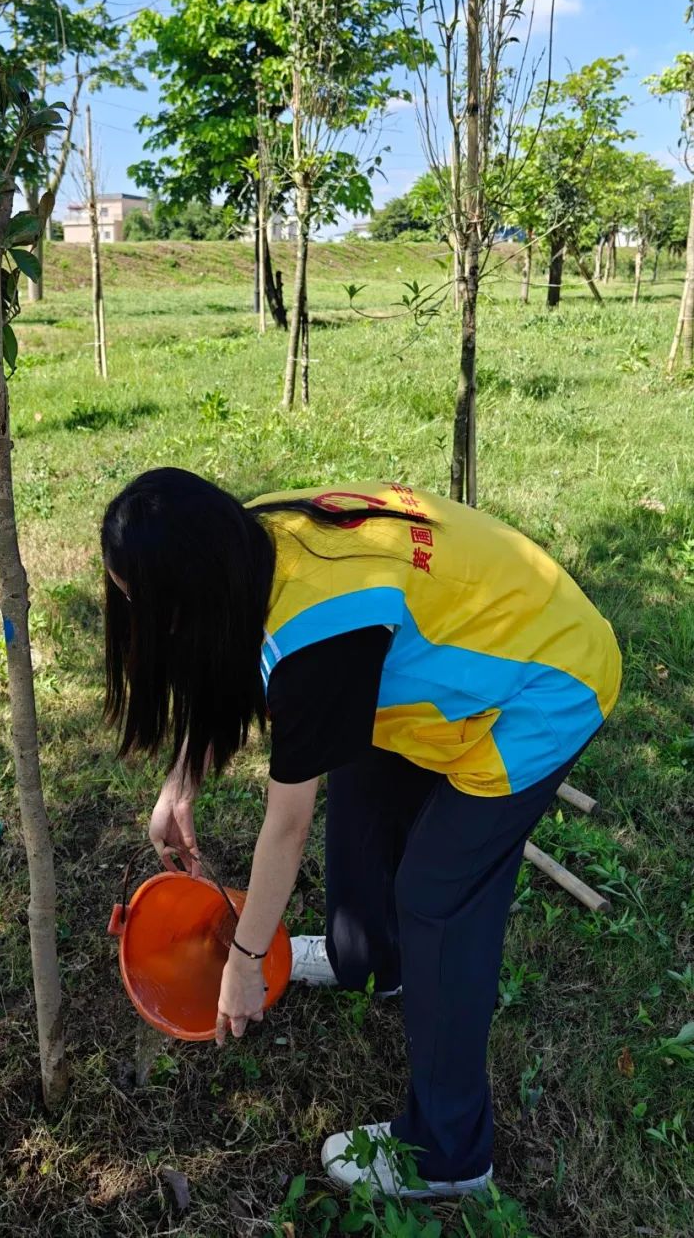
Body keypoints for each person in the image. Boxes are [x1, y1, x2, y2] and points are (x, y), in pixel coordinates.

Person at [101, 468, 621, 1199]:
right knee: (362, 782)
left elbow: (286, 825)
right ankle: (367, 958)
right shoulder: (245, 542)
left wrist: (246, 960)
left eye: (142, 605)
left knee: (438, 894)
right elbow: (237, 669)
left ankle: (449, 1153)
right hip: (461, 643)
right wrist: (179, 780)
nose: (136, 622)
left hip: (547, 682)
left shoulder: (319, 639)